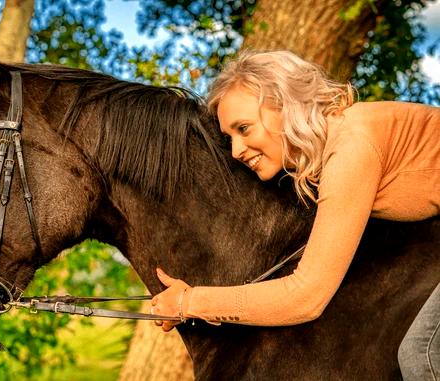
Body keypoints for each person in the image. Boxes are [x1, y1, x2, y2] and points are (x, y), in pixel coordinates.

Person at [150, 50, 440, 380]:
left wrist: (191, 302)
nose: (236, 150)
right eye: (229, 137)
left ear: (287, 106)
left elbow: (305, 297)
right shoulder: (341, 143)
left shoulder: (351, 149)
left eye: (244, 128)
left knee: (424, 352)